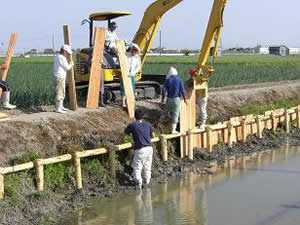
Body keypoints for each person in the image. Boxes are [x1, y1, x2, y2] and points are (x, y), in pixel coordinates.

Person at [124, 108, 155, 190]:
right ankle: (147, 182)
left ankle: (138, 183)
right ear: (143, 116)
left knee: (137, 167)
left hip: (140, 149)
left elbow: (123, 135)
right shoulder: (148, 124)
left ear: (135, 116)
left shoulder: (132, 125)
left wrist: (115, 144)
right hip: (149, 148)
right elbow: (153, 136)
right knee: (147, 166)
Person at [161, 66, 187, 134]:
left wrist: (162, 99)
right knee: (176, 114)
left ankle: (160, 122)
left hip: (169, 99)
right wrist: (185, 99)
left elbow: (163, 90)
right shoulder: (179, 79)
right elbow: (182, 90)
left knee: (166, 111)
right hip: (176, 99)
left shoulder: (168, 80)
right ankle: (173, 130)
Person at [53, 45, 74, 114]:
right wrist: (71, 64)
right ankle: (58, 108)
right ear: (64, 51)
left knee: (61, 91)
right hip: (60, 77)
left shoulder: (57, 56)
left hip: (58, 76)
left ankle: (61, 106)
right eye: (67, 53)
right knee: (60, 92)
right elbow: (67, 68)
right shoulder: (61, 58)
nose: (67, 54)